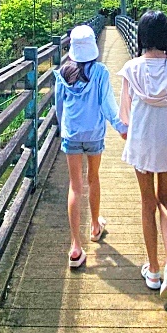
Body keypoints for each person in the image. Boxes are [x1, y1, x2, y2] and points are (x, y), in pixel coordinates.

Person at [119, 10, 167, 299]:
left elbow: (125, 115)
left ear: (142, 37)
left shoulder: (131, 69)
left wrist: (126, 131)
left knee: (147, 201)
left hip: (142, 141)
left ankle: (153, 270)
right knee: (166, 199)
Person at [54, 24, 127, 269]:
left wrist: (61, 129)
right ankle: (95, 226)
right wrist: (120, 126)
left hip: (71, 134)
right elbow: (107, 105)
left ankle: (75, 247)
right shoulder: (100, 72)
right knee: (93, 178)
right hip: (94, 133)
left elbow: (59, 107)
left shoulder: (62, 73)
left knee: (75, 186)